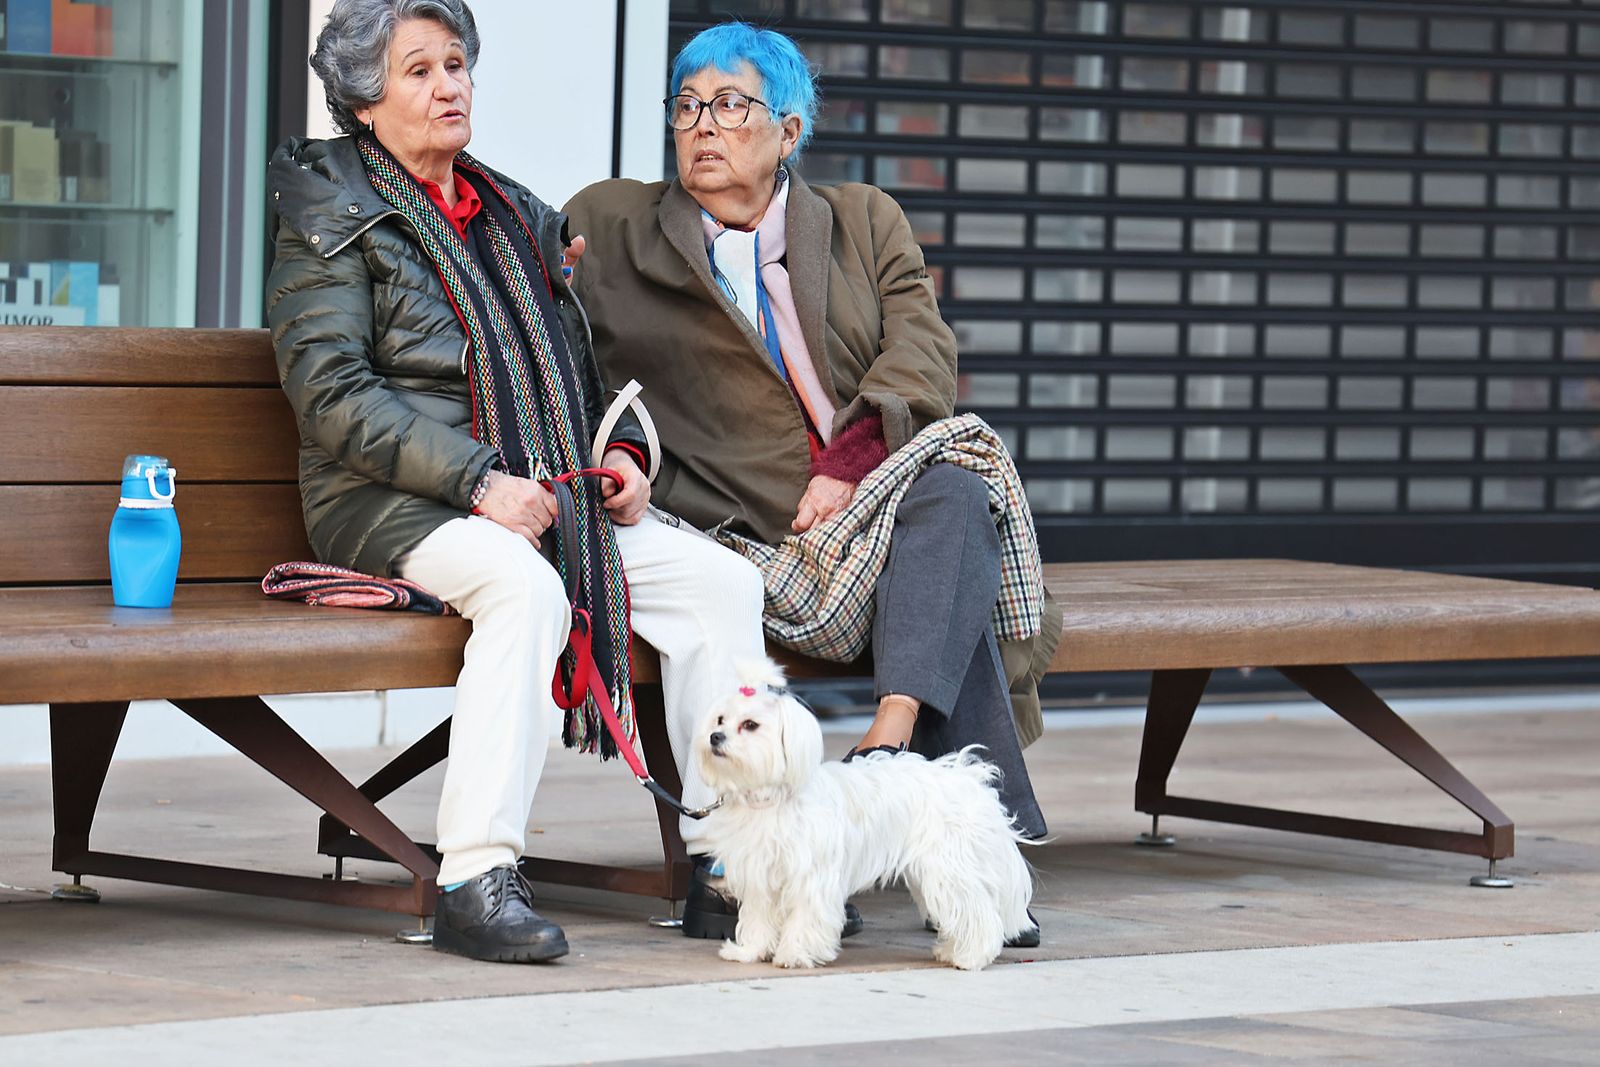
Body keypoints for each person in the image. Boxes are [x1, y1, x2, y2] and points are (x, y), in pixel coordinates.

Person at [267, 0, 766, 964]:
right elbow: (330, 396)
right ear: (364, 103)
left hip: (534, 490)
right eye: (418, 71)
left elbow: (569, 373)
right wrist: (479, 480)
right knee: (524, 585)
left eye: (456, 64)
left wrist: (621, 460)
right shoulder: (329, 215)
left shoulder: (517, 215)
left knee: (722, 585)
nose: (449, 85)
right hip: (385, 500)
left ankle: (724, 859)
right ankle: (473, 876)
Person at [565, 22, 1060, 942]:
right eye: (686, 106)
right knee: (954, 547)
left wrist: (847, 462)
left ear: (788, 132)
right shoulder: (615, 227)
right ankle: (990, 853)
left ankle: (893, 729)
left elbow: (924, 350)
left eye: (730, 105)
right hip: (746, 528)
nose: (702, 125)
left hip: (862, 502)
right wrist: (622, 458)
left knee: (955, 482)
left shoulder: (866, 220)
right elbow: (575, 358)